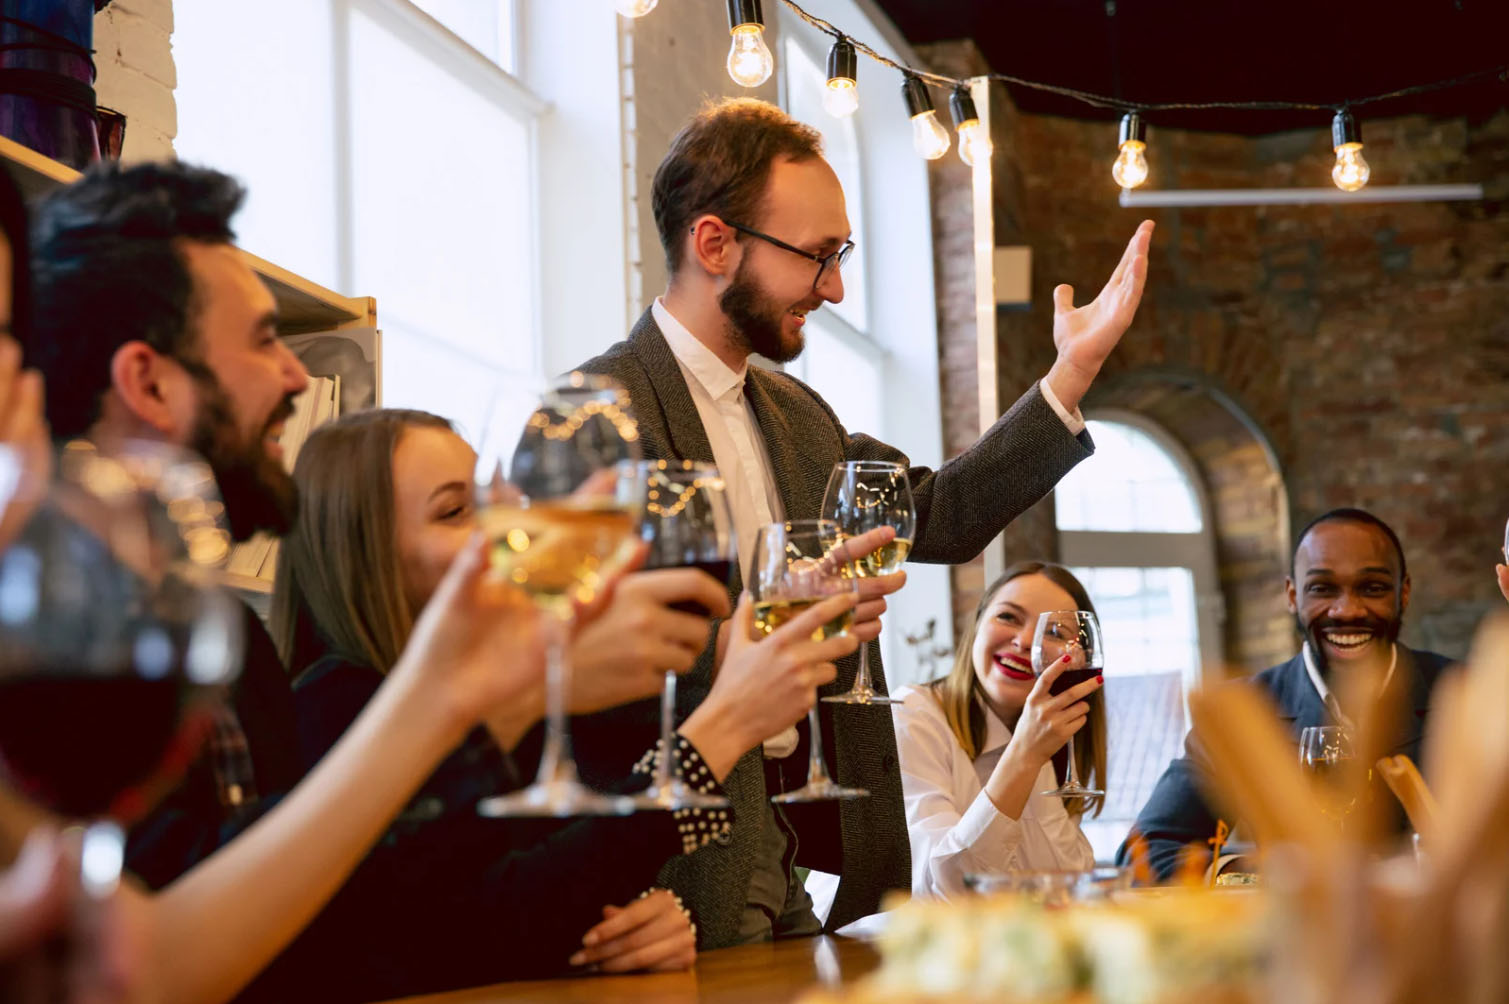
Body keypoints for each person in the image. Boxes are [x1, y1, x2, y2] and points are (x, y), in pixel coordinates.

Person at [575, 96, 1153, 945]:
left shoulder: (797, 413)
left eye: (838, 254)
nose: (835, 286)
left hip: (795, 867)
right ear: (713, 244)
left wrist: (1069, 376)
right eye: (815, 256)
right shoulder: (598, 414)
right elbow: (574, 658)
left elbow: (942, 515)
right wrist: (776, 623)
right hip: (663, 880)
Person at [16, 159, 589, 1003]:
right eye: (260, 338)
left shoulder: (224, 637)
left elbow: (317, 941)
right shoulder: (41, 651)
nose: (294, 375)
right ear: (148, 382)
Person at [264, 408, 859, 996]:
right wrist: (724, 728)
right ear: (362, 555)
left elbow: (545, 889)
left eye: (499, 501)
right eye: (455, 511)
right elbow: (445, 938)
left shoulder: (504, 708)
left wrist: (646, 920)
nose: (507, 531)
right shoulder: (332, 707)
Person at [1119, 508, 1454, 880]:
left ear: (1403, 593)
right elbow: (1143, 857)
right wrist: (1271, 877)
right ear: (1292, 596)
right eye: (1322, 588)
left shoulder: (1465, 696)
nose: (1346, 610)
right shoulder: (1246, 711)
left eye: (1372, 588)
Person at [892, 563, 1106, 900]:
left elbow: (1067, 887)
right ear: (977, 624)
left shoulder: (1045, 740)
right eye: (1008, 617)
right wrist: (1023, 756)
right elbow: (944, 891)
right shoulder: (912, 715)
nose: (1024, 642)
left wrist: (1034, 754)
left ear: (1081, 658)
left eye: (1054, 632)